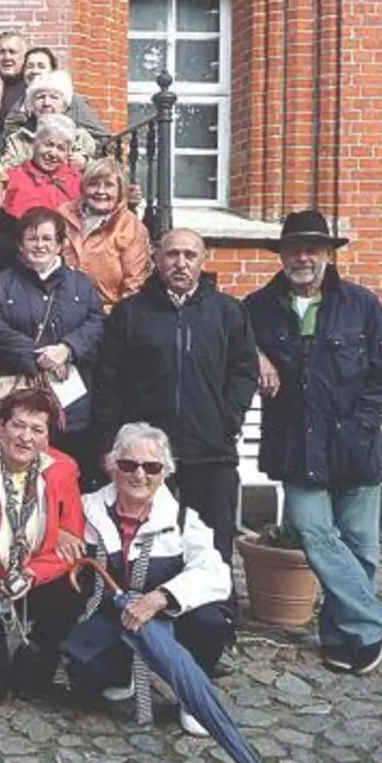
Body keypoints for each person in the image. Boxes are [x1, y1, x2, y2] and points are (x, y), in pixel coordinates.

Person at [245, 210, 382, 675]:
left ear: (328, 255)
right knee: (314, 532)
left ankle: (345, 639)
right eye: (293, 248)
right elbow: (232, 347)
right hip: (297, 446)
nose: (303, 257)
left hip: (354, 445)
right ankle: (374, 621)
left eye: (313, 248)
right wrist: (256, 355)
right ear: (280, 255)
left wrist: (359, 426)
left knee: (359, 549)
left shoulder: (361, 304)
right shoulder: (257, 308)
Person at [90, 229, 259, 603]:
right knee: (145, 542)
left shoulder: (228, 312)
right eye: (172, 255)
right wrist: (109, 444)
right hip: (145, 460)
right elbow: (109, 382)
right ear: (157, 259)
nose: (180, 263)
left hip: (209, 449)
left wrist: (226, 419)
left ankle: (216, 621)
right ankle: (138, 614)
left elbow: (244, 371)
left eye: (189, 255)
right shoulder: (130, 314)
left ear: (202, 261)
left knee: (214, 541)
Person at [65, 423, 233, 736]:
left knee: (210, 620)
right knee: (84, 674)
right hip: (113, 618)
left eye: (151, 467)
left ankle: (190, 693)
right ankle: (121, 673)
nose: (139, 475)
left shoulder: (182, 518)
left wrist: (161, 598)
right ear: (113, 466)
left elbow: (215, 571)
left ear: (165, 472)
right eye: (129, 464)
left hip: (168, 620)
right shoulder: (87, 508)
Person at [0, 389, 85, 709]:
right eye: (18, 425)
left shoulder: (63, 469)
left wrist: (30, 573)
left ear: (47, 437)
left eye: (37, 430)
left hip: (27, 577)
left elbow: (73, 544)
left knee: (76, 588)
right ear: (1, 427)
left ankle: (37, 656)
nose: (26, 437)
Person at [0, 208, 105, 446]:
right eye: (32, 239)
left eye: (47, 239)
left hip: (70, 403)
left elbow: (96, 324)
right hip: (18, 397)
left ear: (59, 245)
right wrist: (35, 354)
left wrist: (67, 349)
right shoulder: (0, 284)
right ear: (20, 245)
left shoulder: (81, 284)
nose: (39, 245)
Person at [57, 158, 151, 312]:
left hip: (107, 313)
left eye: (109, 185)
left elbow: (135, 283)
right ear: (83, 187)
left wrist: (118, 317)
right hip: (62, 308)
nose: (101, 191)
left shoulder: (131, 227)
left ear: (120, 190)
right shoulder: (62, 215)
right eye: (93, 184)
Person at [1, 75, 96, 171]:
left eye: (54, 97)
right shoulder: (18, 139)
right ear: (31, 105)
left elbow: (102, 170)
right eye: (40, 97)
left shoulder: (81, 137)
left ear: (64, 105)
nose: (46, 103)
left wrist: (86, 163)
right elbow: (5, 170)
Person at [3, 114, 90, 217]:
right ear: (35, 143)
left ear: (68, 153)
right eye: (48, 144)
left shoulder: (77, 181)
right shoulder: (13, 178)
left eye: (60, 148)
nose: (53, 153)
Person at [0, 30, 30, 132]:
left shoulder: (31, 91)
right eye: (1, 52)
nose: (7, 57)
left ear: (24, 57)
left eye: (12, 52)